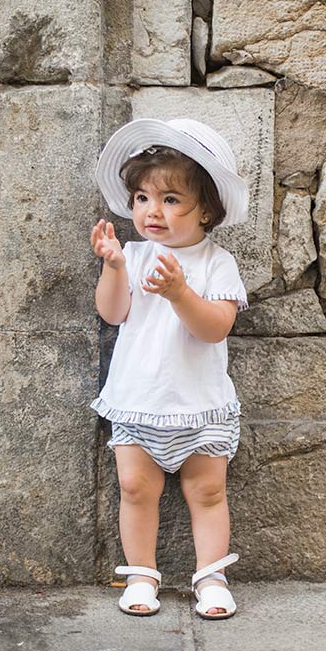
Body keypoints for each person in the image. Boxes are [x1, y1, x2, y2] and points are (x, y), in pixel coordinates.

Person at [89, 118, 250, 620]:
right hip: (139, 400)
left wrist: (181, 292)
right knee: (136, 490)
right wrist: (114, 267)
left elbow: (214, 327)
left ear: (207, 210)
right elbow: (112, 314)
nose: (151, 211)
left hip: (199, 404)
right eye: (140, 198)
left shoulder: (215, 263)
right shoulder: (134, 255)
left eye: (171, 199)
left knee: (207, 491)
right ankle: (141, 573)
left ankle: (212, 576)